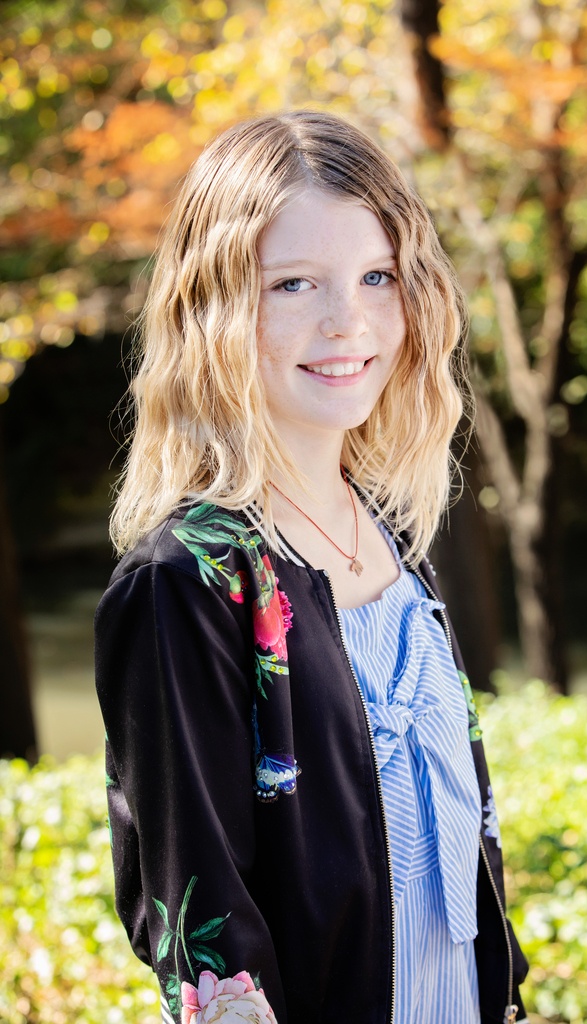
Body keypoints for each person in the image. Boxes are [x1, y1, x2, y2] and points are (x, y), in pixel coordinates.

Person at [95, 110, 528, 1024]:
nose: (348, 321)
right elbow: (202, 929)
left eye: (376, 276)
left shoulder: (394, 535)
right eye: (292, 284)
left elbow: (468, 854)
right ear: (213, 311)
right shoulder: (184, 584)